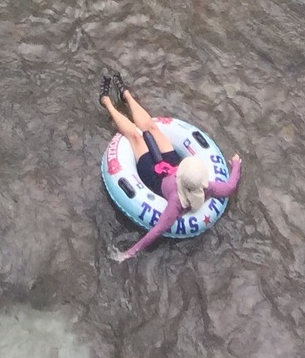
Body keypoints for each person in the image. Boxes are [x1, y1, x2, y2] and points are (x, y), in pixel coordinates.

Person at [100, 78, 241, 262]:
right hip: (171, 165)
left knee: (135, 136)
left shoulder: (176, 204)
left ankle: (106, 102)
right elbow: (230, 186)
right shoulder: (209, 188)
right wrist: (236, 165)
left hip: (153, 176)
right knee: (152, 128)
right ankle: (126, 94)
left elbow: (155, 232)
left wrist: (128, 253)